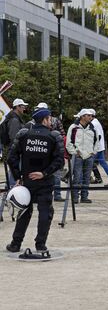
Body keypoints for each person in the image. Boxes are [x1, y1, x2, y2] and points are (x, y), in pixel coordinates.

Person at [5, 108, 64, 253]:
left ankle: (15, 244)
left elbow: (11, 158)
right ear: (45, 119)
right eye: (49, 119)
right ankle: (40, 245)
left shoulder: (24, 135)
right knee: (45, 212)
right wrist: (44, 173)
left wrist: (19, 177)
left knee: (24, 212)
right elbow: (59, 161)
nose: (51, 121)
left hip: (27, 182)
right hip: (45, 182)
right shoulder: (53, 136)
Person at [65, 109, 100, 203]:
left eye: (91, 116)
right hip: (78, 156)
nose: (90, 117)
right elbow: (68, 142)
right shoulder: (73, 127)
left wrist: (93, 152)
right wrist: (74, 152)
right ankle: (75, 197)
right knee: (77, 177)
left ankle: (84, 197)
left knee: (87, 177)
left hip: (89, 156)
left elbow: (97, 141)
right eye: (88, 115)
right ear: (83, 116)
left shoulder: (93, 128)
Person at [89, 109, 108, 186]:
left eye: (88, 115)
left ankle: (83, 180)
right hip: (99, 147)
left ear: (91, 116)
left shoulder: (93, 124)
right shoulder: (96, 122)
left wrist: (93, 148)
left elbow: (98, 137)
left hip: (96, 148)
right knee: (103, 163)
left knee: (87, 163)